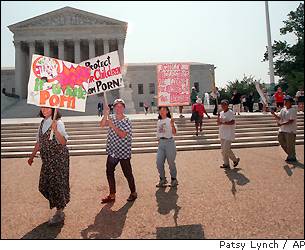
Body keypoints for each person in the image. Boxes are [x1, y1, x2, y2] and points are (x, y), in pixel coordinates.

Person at [27, 107, 70, 225]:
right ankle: (59, 205)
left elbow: (63, 142)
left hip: (59, 159)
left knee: (57, 184)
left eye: (47, 108)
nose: (44, 110)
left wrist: (55, 130)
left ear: (52, 109)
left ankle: (59, 212)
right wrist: (32, 156)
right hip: (47, 160)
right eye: (42, 108)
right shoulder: (42, 123)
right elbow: (39, 142)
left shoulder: (58, 122)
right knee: (44, 185)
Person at [100, 99, 137, 203]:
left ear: (124, 108)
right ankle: (112, 195)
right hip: (113, 151)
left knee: (127, 173)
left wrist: (112, 125)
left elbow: (122, 135)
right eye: (116, 106)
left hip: (123, 152)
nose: (118, 108)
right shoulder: (111, 117)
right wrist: (105, 114)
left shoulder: (127, 120)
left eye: (120, 106)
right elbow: (102, 125)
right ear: (114, 107)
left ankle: (133, 192)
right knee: (109, 171)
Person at [156, 106, 178, 188]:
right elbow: (158, 133)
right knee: (159, 162)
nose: (162, 111)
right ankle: (162, 179)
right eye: (160, 110)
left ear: (167, 111)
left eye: (164, 110)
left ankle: (174, 179)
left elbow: (175, 133)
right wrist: (159, 142)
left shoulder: (170, 120)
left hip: (170, 142)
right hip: (161, 143)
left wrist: (172, 125)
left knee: (171, 162)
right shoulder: (158, 121)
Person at [271, 95, 298, 163]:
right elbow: (279, 118)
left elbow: (291, 121)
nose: (285, 102)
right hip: (282, 129)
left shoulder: (293, 110)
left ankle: (292, 157)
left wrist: (281, 124)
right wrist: (273, 114)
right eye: (285, 101)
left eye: (287, 101)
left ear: (290, 102)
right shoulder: (283, 109)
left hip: (290, 131)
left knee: (290, 145)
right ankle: (290, 155)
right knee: (281, 142)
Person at [217, 100, 240, 169]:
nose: (223, 106)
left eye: (225, 105)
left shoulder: (231, 113)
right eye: (222, 105)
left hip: (229, 133)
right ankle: (226, 163)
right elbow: (218, 123)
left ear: (227, 105)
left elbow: (232, 122)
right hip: (222, 133)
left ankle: (235, 159)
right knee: (223, 150)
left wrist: (223, 122)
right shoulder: (221, 113)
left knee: (226, 149)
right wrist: (218, 119)